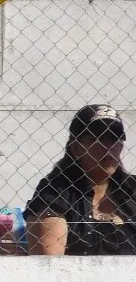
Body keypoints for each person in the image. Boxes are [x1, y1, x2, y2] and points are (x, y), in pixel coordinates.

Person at [25, 104, 136, 255]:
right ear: (76, 148)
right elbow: (49, 264)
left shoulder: (132, 189)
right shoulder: (56, 191)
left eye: (114, 138)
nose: (109, 147)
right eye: (98, 138)